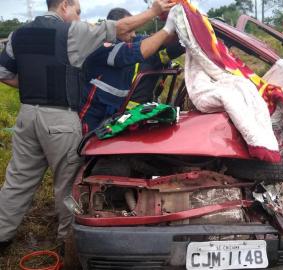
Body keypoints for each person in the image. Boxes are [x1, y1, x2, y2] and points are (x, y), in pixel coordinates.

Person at [0, 0, 176, 253]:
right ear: (64, 6)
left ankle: (2, 236)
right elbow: (120, 27)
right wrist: (156, 12)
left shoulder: (19, 34)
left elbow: (4, 73)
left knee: (18, 180)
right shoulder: (71, 31)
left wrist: (33, 85)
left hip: (27, 115)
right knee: (69, 183)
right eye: (78, 12)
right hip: (60, 118)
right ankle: (68, 242)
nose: (79, 18)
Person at [80, 7, 183, 133]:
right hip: (91, 121)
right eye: (129, 30)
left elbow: (157, 41)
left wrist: (182, 29)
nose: (133, 34)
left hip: (114, 118)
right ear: (118, 27)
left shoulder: (132, 41)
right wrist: (167, 28)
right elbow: (133, 52)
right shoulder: (102, 47)